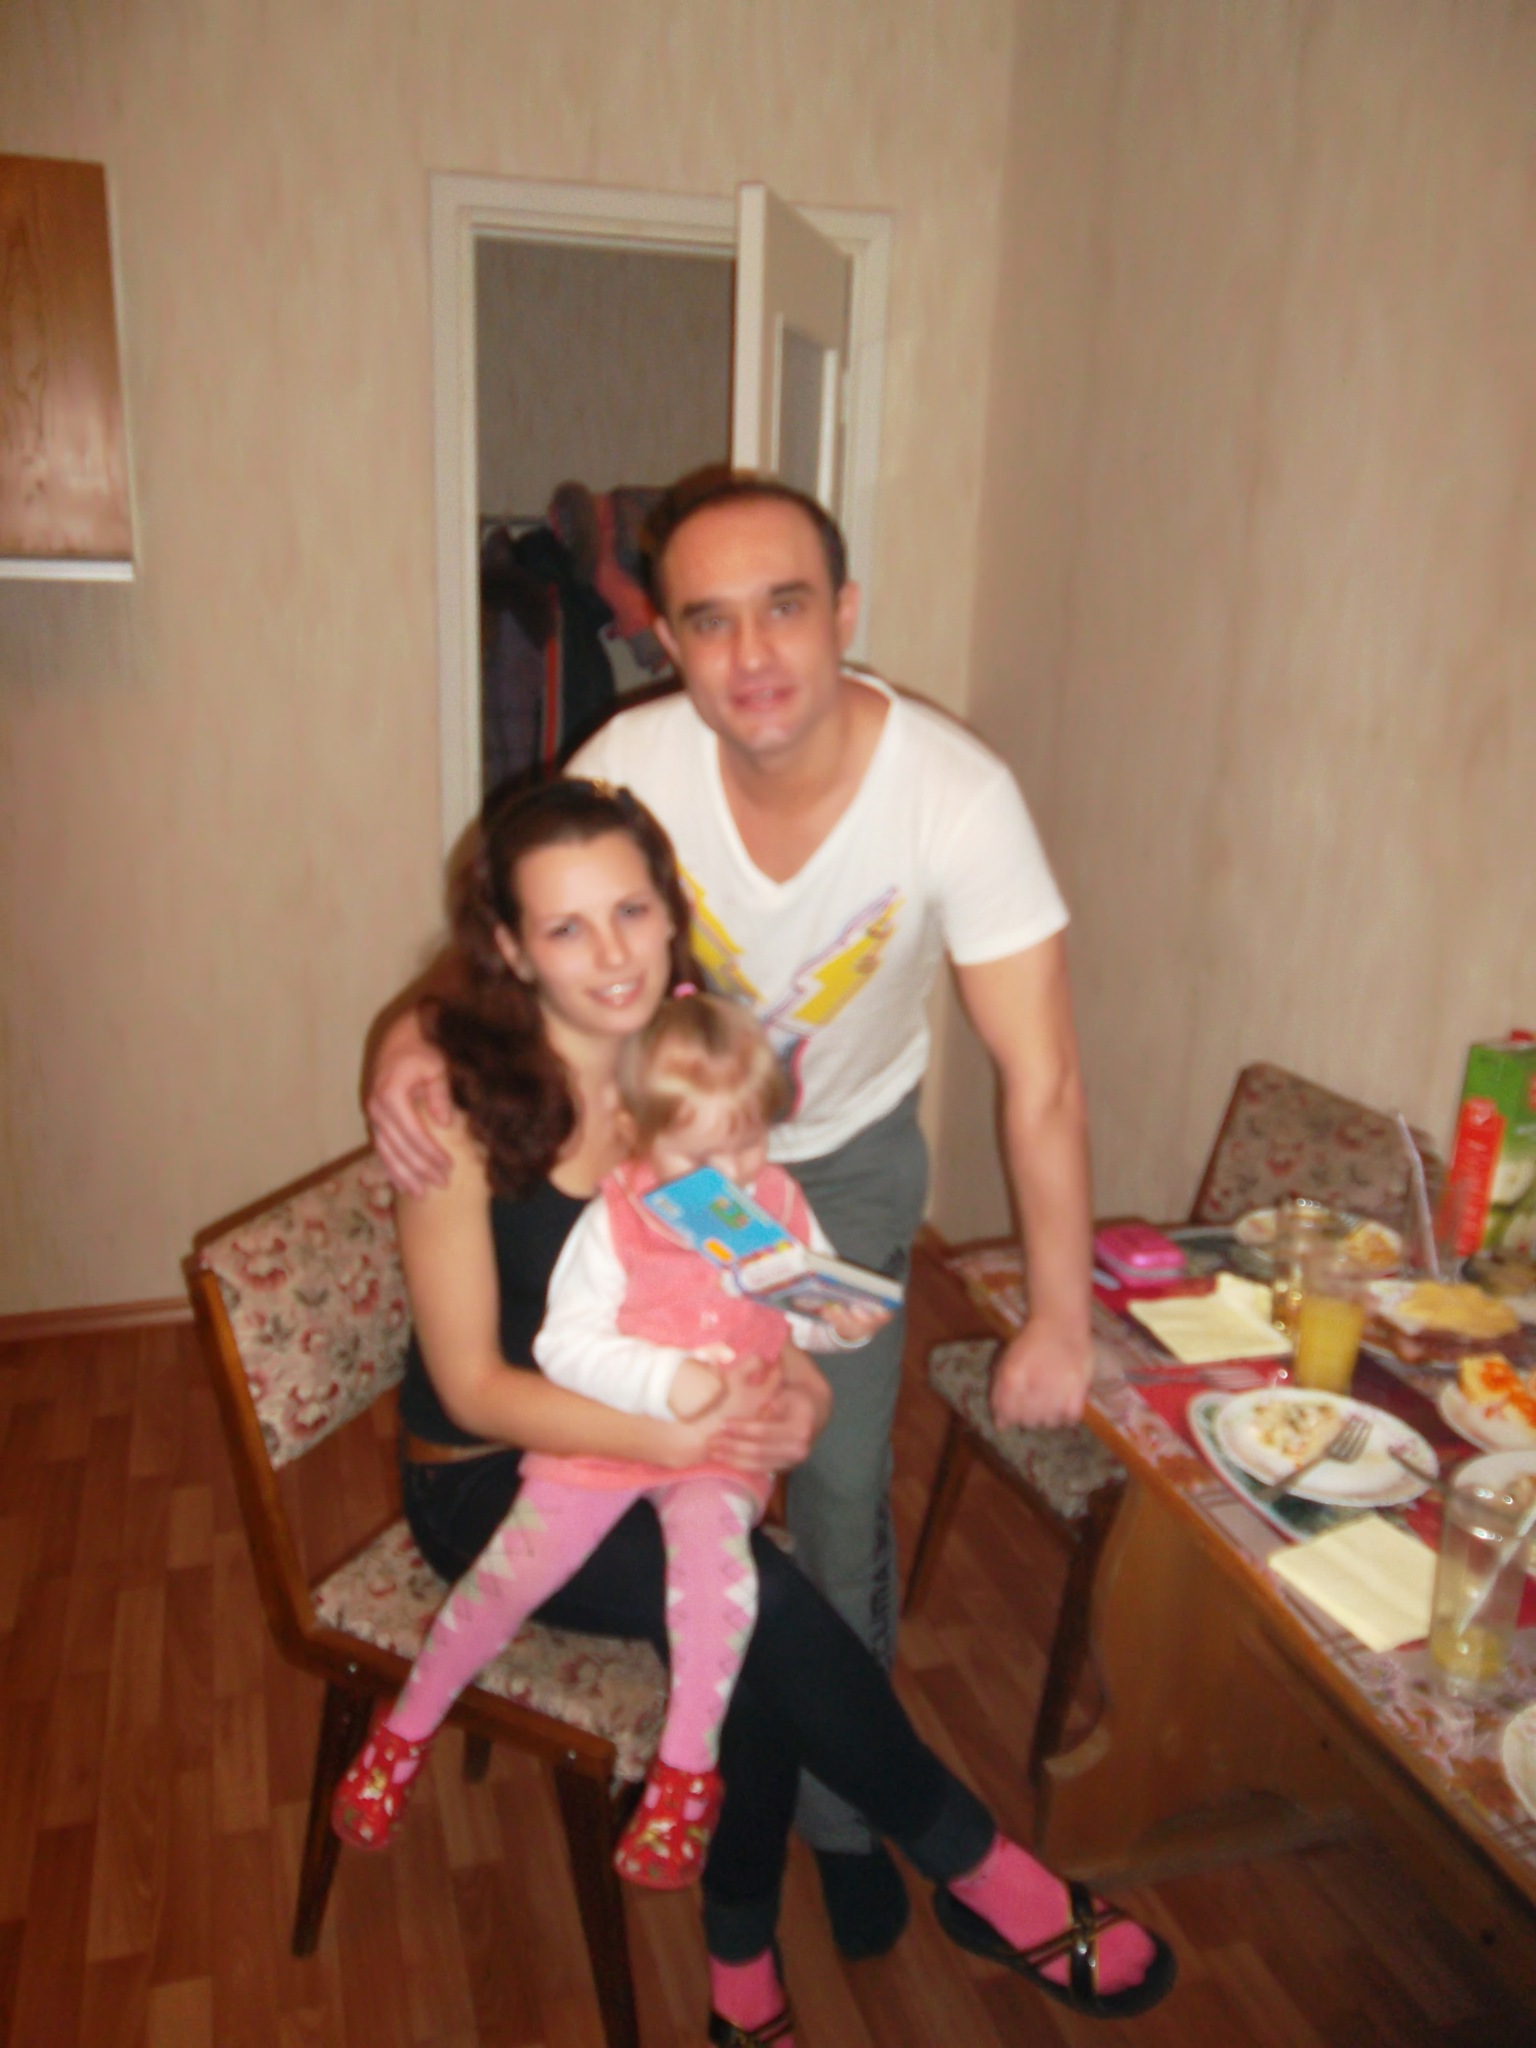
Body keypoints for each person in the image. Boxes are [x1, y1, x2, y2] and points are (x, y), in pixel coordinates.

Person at [369, 468, 1096, 1955]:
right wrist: (407, 1034)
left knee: (811, 1528)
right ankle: (913, 1865)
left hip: (781, 1229)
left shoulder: (688, 1109)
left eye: (785, 607)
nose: (751, 653)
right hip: (530, 1429)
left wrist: (817, 1383)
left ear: (845, 613)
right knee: (753, 1587)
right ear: (668, 640)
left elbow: (1031, 1088)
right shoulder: (497, 1055)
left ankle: (804, 1871)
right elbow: (530, 916)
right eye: (709, 619)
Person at [378, 775, 1172, 2043]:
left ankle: (746, 1953)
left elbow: (760, 1290)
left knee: (740, 1613)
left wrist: (795, 1392)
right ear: (513, 949)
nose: (613, 953)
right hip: (492, 1469)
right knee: (759, 1605)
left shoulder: (693, 1080)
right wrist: (678, 1434)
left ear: (669, 910)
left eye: (631, 910)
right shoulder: (454, 1108)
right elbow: (473, 1383)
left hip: (675, 1446)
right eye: (567, 927)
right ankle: (968, 1867)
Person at [332, 985, 883, 1889]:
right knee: (508, 1578)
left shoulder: (763, 1200)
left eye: (750, 1141)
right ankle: (405, 1731)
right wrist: (669, 1387)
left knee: (720, 1580)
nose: (732, 1175)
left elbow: (800, 1315)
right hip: (603, 1441)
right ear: (637, 1131)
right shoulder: (619, 1215)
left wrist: (839, 1325)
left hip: (712, 1456)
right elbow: (566, 1346)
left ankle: (682, 1780)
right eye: (703, 1153)